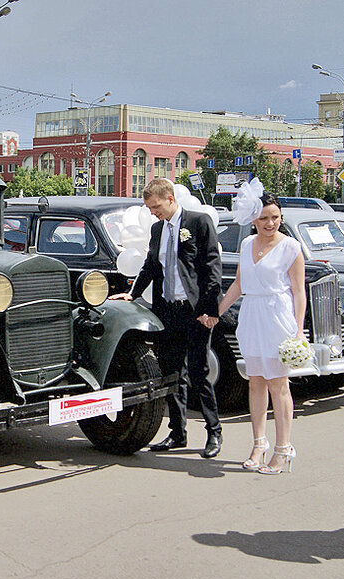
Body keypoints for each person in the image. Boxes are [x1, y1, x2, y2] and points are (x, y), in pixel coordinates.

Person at [110, 178, 223, 458]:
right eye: (148, 208)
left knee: (198, 372)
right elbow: (150, 265)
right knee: (173, 373)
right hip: (168, 310)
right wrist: (132, 294)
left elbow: (211, 267)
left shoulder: (199, 223)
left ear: (170, 199)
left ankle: (214, 432)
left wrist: (210, 309)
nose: (152, 212)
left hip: (195, 311)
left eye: (156, 206)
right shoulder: (158, 229)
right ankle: (177, 432)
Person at [215, 182, 306, 474]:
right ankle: (259, 443)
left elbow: (298, 291)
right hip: (252, 315)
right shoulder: (245, 244)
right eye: (264, 217)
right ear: (254, 219)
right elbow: (239, 284)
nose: (270, 223)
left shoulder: (291, 247)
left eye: (275, 217)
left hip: (277, 316)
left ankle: (283, 448)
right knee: (255, 381)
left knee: (278, 384)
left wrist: (298, 330)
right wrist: (216, 312)